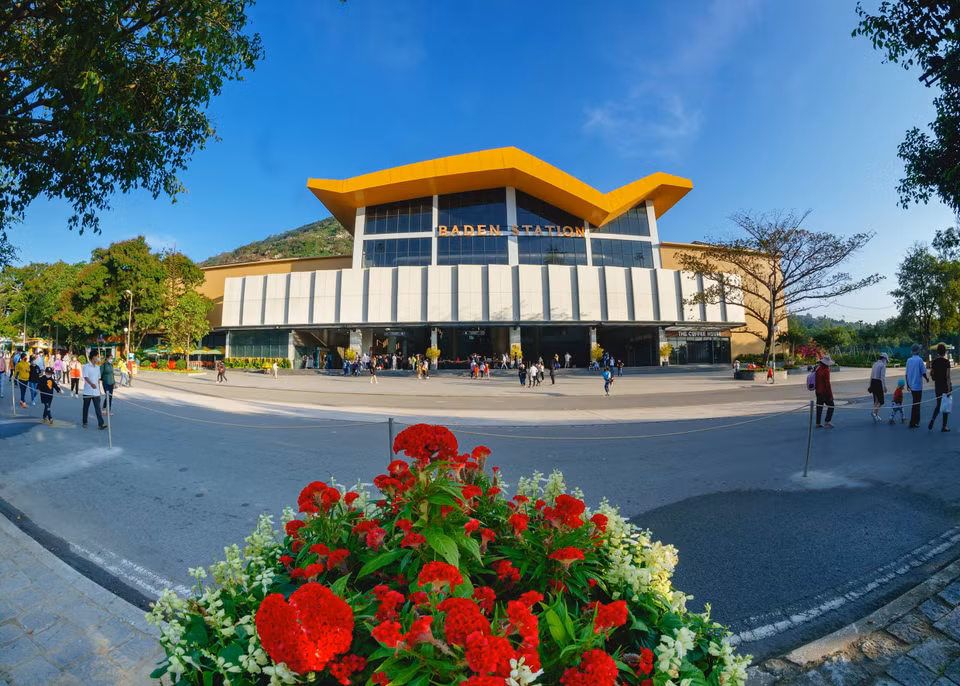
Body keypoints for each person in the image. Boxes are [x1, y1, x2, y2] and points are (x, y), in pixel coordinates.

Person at [929, 343, 952, 432]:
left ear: (938, 352)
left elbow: (931, 373)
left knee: (938, 405)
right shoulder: (946, 362)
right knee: (945, 406)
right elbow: (947, 376)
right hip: (945, 386)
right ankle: (944, 426)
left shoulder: (934, 362)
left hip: (937, 386)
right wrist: (949, 388)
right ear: (945, 352)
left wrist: (935, 378)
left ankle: (933, 419)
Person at [905, 343, 929, 429]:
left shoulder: (908, 360)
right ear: (918, 351)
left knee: (915, 402)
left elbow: (906, 374)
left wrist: (907, 385)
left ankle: (915, 421)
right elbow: (923, 372)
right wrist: (926, 378)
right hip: (918, 385)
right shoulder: (920, 360)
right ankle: (914, 422)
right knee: (917, 403)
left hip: (911, 385)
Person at [82, 349, 106, 430]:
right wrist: (91, 384)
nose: (97, 358)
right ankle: (85, 422)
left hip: (96, 392)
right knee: (86, 408)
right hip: (87, 391)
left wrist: (99, 389)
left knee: (97, 408)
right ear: (93, 357)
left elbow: (98, 379)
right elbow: (85, 377)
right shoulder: (86, 366)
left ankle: (101, 423)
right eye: (96, 356)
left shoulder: (97, 368)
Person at [815, 355, 836, 428]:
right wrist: (830, 395)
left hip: (818, 390)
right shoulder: (826, 370)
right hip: (824, 392)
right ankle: (827, 421)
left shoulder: (818, 368)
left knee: (819, 407)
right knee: (831, 406)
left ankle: (818, 423)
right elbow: (827, 383)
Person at [869, 352, 889, 422]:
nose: (886, 362)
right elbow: (882, 377)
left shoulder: (874, 364)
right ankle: (874, 412)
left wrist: (870, 385)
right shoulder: (882, 365)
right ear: (884, 358)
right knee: (881, 401)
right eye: (886, 360)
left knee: (876, 400)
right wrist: (884, 386)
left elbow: (871, 375)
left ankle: (876, 415)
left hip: (873, 382)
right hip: (878, 383)